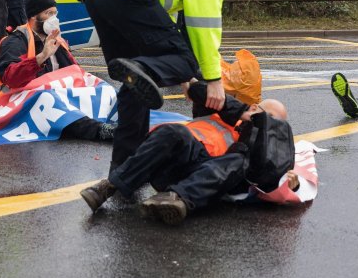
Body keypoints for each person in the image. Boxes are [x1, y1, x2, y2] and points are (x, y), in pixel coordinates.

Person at [78, 0, 252, 172]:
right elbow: (203, 20)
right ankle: (144, 70)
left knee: (134, 84)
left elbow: (162, 24)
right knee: (186, 59)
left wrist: (180, 76)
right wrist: (211, 79)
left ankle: (124, 169)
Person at [79, 82, 298, 225]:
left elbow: (283, 180)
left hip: (203, 178)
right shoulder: (224, 113)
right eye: (265, 113)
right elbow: (202, 91)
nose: (268, 122)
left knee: (239, 159)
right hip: (174, 158)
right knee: (175, 132)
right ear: (252, 108)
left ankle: (177, 201)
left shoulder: (268, 148)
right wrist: (240, 112)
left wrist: (292, 183)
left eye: (275, 121)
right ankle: (111, 186)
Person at [0, 0, 114, 141]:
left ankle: (130, 119)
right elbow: (11, 77)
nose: (54, 18)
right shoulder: (16, 41)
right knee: (49, 100)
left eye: (55, 13)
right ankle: (100, 131)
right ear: (34, 17)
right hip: (19, 102)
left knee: (103, 88)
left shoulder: (57, 41)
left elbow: (75, 73)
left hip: (53, 95)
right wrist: (41, 57)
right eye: (49, 13)